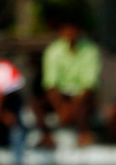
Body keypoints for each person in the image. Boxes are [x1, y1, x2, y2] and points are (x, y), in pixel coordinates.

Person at [35, 16, 101, 147]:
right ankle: (46, 136)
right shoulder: (53, 51)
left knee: (86, 104)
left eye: (73, 30)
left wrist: (71, 109)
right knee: (36, 105)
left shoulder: (90, 50)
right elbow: (50, 84)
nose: (70, 33)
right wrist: (61, 109)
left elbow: (89, 84)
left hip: (80, 96)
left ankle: (84, 135)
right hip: (60, 96)